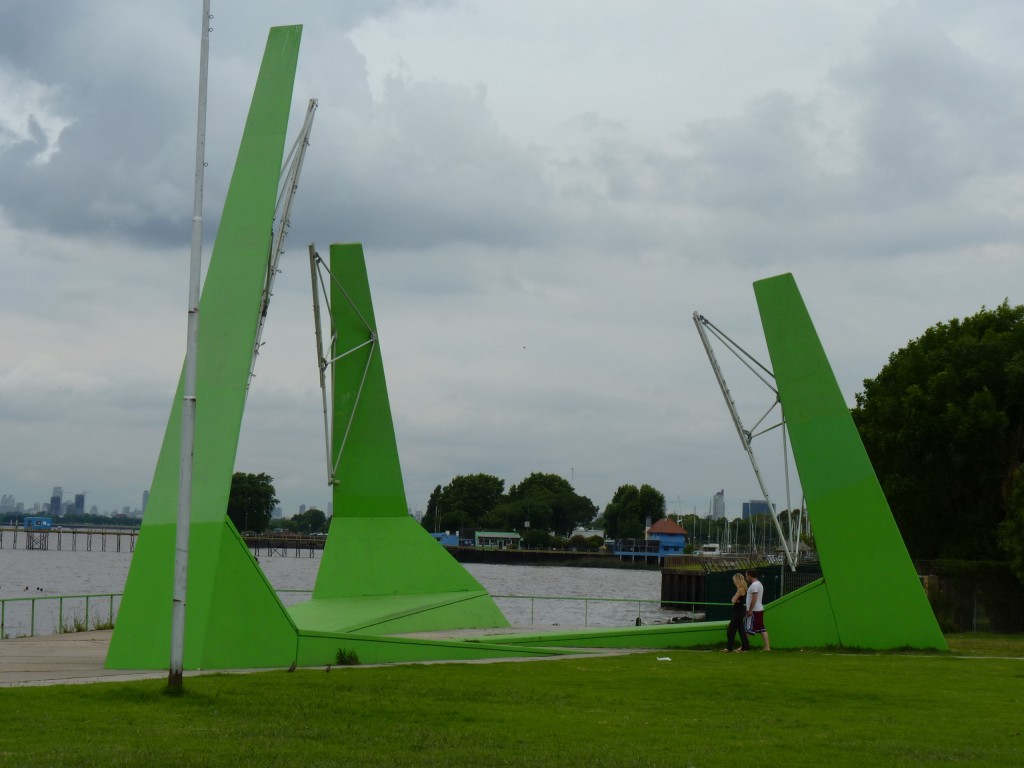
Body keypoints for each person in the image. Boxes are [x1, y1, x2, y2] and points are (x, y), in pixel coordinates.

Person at [722, 572, 750, 652]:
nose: (733, 582)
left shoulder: (740, 589)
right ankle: (745, 647)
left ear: (737, 580)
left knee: (730, 629)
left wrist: (734, 599)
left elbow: (733, 600)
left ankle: (729, 647)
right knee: (741, 630)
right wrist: (735, 600)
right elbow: (736, 601)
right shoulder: (743, 588)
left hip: (738, 612)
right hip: (740, 611)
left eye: (734, 580)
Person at [745, 569, 771, 651]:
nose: (746, 577)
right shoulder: (759, 584)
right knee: (762, 628)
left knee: (748, 629)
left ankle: (743, 646)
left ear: (749, 575)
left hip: (754, 610)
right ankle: (767, 647)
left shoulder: (754, 585)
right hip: (759, 609)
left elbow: (754, 598)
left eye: (746, 575)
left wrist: (750, 610)